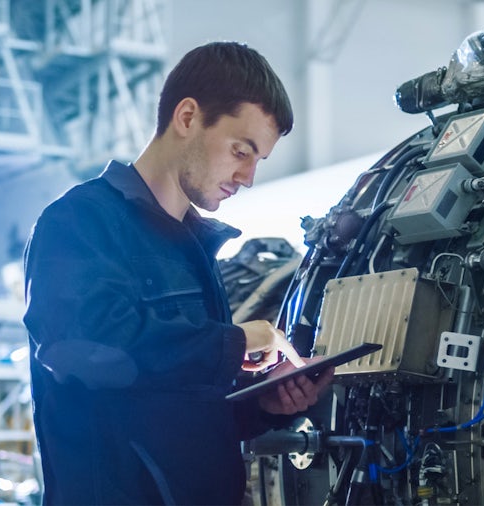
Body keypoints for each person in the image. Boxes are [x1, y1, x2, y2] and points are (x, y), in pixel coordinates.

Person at [23, 41, 334, 505]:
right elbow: (86, 347)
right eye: (240, 150)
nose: (247, 176)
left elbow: (184, 406)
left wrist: (264, 404)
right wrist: (237, 342)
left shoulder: (194, 250)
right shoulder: (78, 221)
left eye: (257, 160)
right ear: (187, 117)